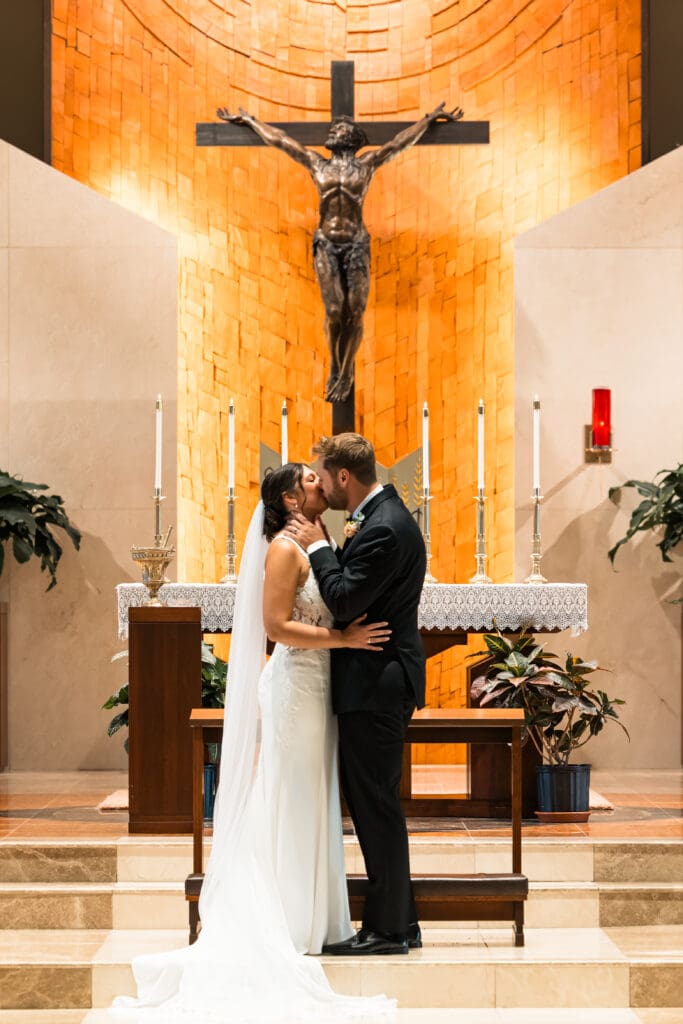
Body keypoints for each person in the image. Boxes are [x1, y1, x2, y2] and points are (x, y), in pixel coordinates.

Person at [111, 463, 394, 1021]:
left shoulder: (315, 539)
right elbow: (275, 628)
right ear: (291, 498)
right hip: (295, 684)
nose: (321, 485)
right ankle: (288, 918)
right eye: (312, 480)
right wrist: (343, 639)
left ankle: (313, 918)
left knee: (312, 795)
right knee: (289, 794)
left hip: (318, 687)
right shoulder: (285, 550)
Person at [216, 103, 462, 403]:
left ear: (352, 138)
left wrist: (428, 119)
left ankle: (347, 372)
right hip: (327, 244)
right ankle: (335, 364)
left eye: (338, 128)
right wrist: (251, 120)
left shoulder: (366, 165)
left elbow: (399, 143)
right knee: (334, 311)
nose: (331, 131)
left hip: (356, 244)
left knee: (355, 311)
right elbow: (280, 140)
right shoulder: (316, 164)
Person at [286, 434, 426, 955]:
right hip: (375, 681)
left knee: (376, 808)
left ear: (344, 477)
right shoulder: (382, 516)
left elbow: (343, 601)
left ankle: (389, 930)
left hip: (377, 684)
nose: (320, 485)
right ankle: (400, 922)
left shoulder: (385, 528)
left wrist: (320, 546)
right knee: (375, 805)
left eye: (322, 477)